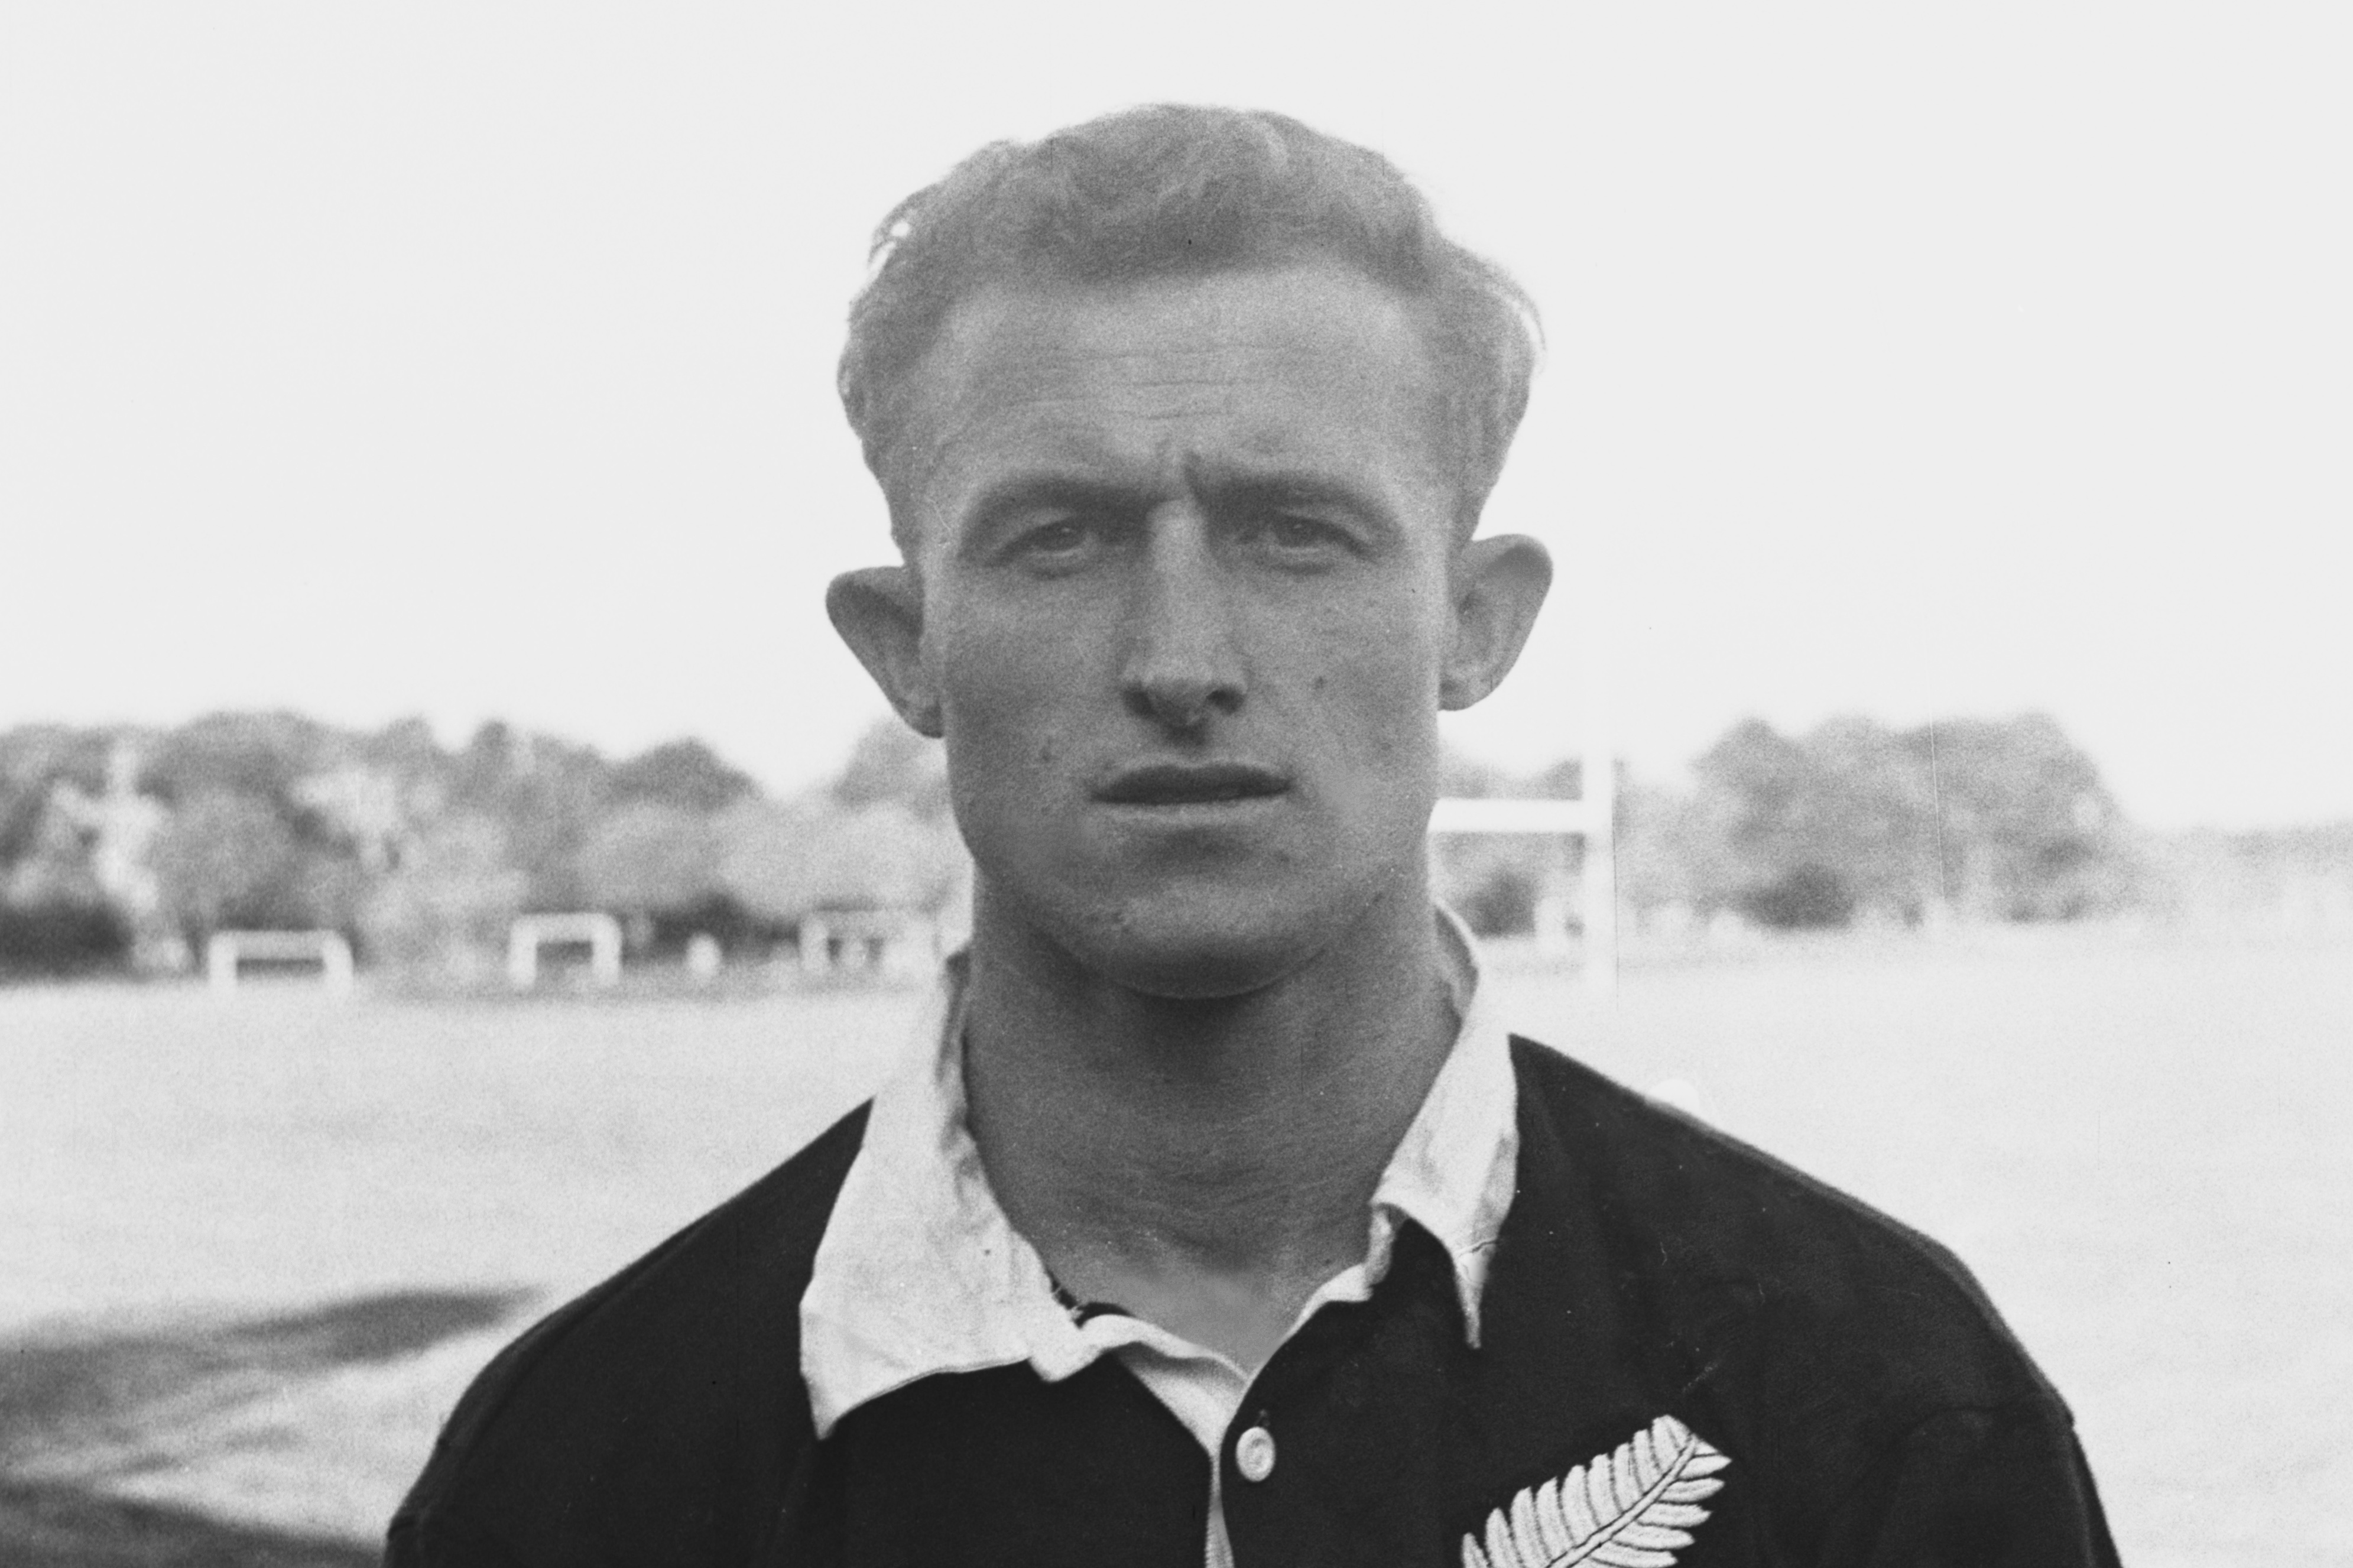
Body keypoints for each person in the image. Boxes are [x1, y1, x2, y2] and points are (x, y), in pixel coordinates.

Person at [388, 105, 2118, 1567]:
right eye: (1059, 539)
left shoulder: (1878, 1404)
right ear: (907, 646)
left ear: (1476, 619)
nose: (1183, 661)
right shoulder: (579, 1478)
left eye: (1298, 533)